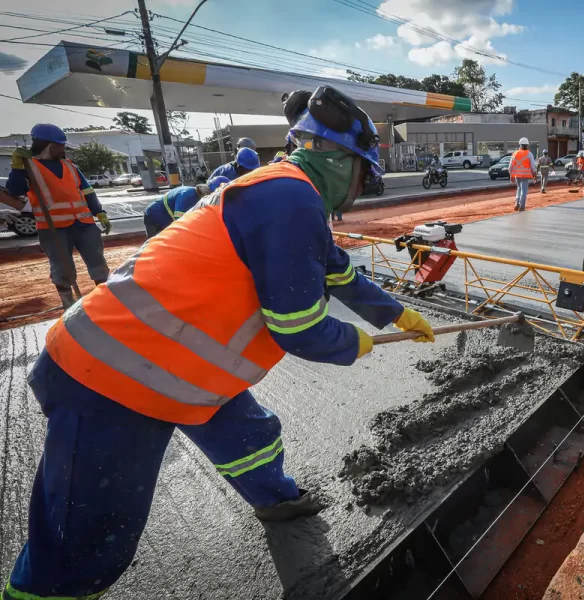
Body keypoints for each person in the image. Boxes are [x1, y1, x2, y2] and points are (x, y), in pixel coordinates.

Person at [4, 85, 437, 600]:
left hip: (173, 362)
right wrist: (354, 342)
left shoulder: (287, 192)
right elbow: (297, 327)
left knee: (248, 434)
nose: (363, 188)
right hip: (109, 373)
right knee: (87, 535)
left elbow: (338, 272)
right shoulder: (291, 198)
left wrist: (397, 313)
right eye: (365, 173)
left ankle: (275, 498)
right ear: (341, 160)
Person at [5, 124, 112, 308]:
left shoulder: (69, 166)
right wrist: (16, 167)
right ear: (46, 145)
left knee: (97, 262)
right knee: (62, 267)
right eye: (59, 145)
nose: (62, 148)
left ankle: (104, 298)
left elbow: (87, 190)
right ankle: (68, 303)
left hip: (84, 223)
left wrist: (99, 212)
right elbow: (14, 190)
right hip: (53, 228)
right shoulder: (29, 167)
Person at [142, 175, 230, 237]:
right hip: (154, 217)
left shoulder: (197, 198)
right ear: (208, 191)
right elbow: (180, 223)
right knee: (153, 245)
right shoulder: (188, 195)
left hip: (164, 219)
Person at [509, 137, 536, 211]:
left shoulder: (514, 154)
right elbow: (533, 167)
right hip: (525, 176)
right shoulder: (529, 154)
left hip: (517, 175)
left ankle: (516, 203)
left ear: (520, 145)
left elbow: (510, 167)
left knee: (519, 188)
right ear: (527, 145)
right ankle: (522, 206)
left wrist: (511, 176)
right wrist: (534, 175)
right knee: (524, 190)